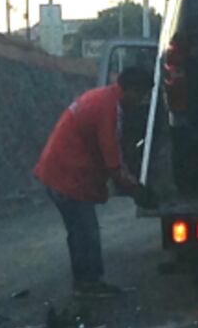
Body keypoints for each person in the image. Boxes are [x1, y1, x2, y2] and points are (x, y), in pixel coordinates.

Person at [34, 65, 154, 298]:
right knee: (85, 231)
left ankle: (85, 281)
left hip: (57, 171)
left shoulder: (101, 97)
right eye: (141, 95)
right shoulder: (109, 109)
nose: (141, 101)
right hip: (67, 176)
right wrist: (137, 190)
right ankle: (88, 284)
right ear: (130, 89)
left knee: (79, 231)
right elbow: (113, 161)